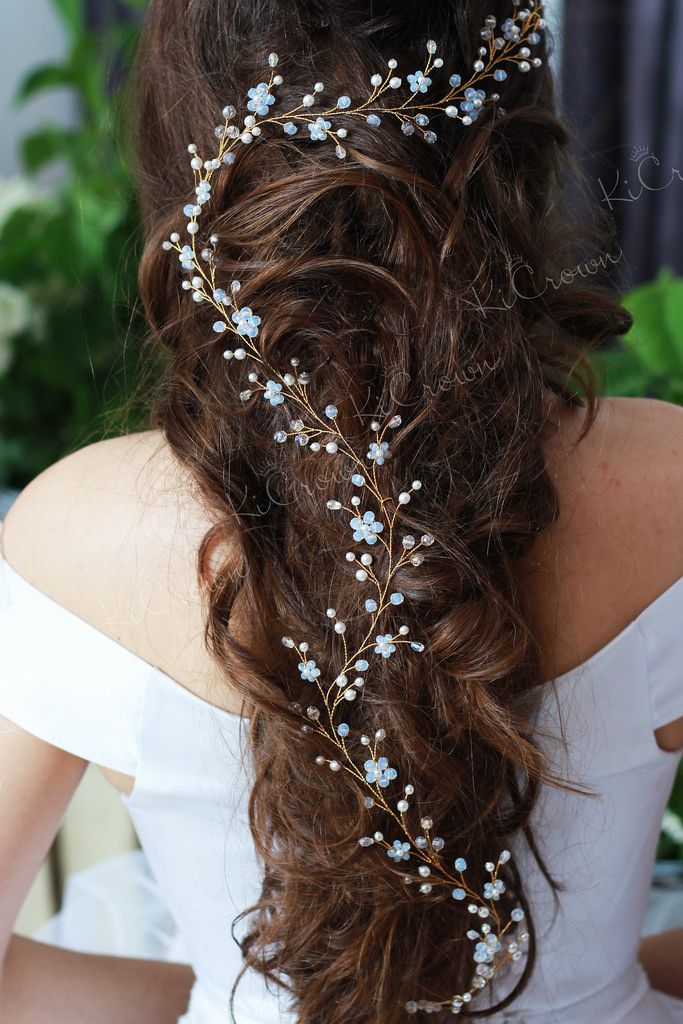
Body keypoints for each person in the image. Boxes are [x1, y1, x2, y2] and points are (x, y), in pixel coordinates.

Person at [1, 1, 682, 1021]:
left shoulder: (76, 536)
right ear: (514, 138)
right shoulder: (665, 482)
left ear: (184, 151)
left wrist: (230, 999)